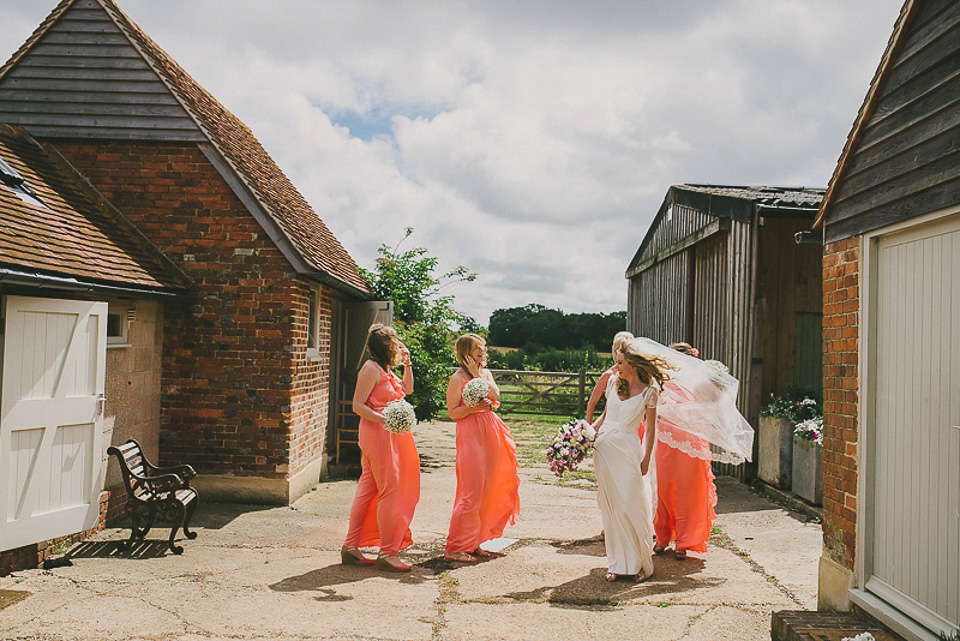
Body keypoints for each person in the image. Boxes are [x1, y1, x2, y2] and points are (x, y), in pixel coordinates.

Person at [591, 339, 671, 582]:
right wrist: (583, 434)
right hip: (604, 448)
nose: (616, 367)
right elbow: (605, 416)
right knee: (612, 507)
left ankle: (638, 564)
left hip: (627, 449)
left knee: (630, 503)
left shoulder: (650, 391)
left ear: (633, 365)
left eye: (620, 362)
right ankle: (617, 563)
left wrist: (646, 457)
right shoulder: (615, 383)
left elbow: (650, 430)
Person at [342, 323, 419, 572]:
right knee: (390, 488)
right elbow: (357, 405)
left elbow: (407, 390)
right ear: (384, 346)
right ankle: (387, 553)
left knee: (368, 488)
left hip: (391, 435)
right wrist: (386, 419)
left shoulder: (386, 370)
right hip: (377, 434)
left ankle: (351, 548)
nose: (398, 346)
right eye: (394, 343)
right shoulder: (370, 368)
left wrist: (407, 364)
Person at [444, 333, 520, 563]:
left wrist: (478, 376)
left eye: (483, 348)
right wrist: (472, 407)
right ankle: (455, 548)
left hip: (490, 429)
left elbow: (496, 396)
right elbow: (453, 412)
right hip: (470, 431)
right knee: (471, 490)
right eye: (478, 348)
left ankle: (473, 542)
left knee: (488, 487)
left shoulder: (485, 373)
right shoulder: (456, 378)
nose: (483, 352)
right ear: (466, 352)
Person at [652, 342, 718, 560]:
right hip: (666, 438)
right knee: (663, 489)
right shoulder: (662, 379)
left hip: (690, 440)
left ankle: (684, 541)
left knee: (687, 491)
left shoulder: (697, 382)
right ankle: (662, 537)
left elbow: (711, 404)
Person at [585, 331, 634, 423]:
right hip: (612, 421)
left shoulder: (637, 374)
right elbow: (592, 402)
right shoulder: (609, 375)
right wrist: (587, 426)